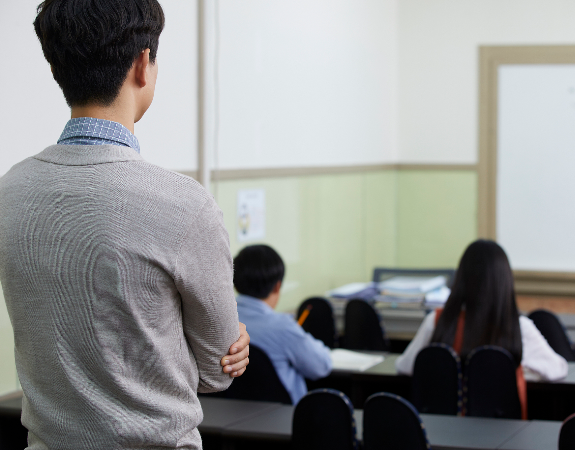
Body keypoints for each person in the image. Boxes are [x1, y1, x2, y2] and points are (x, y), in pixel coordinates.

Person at [0, 1, 249, 448]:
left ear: (57, 67)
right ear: (142, 64)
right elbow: (217, 369)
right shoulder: (184, 204)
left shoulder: (9, 191)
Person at [396, 240, 568, 382]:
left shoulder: (437, 321)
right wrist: (518, 373)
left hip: (445, 423)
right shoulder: (518, 326)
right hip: (507, 424)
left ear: (461, 278)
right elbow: (558, 369)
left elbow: (405, 366)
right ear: (505, 281)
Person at [233, 245, 333, 404]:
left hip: (225, 416)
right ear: (277, 286)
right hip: (282, 421)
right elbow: (321, 366)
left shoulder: (219, 322)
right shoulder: (282, 327)